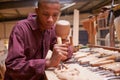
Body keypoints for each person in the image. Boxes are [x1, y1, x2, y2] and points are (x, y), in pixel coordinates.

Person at [4, 0, 73, 80]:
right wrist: (48, 63)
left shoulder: (51, 29)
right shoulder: (20, 29)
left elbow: (64, 50)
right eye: (45, 14)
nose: (50, 20)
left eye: (55, 15)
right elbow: (13, 66)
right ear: (37, 11)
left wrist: (65, 49)